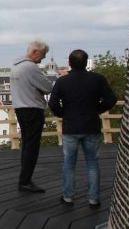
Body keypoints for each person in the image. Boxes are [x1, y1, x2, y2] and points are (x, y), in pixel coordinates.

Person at [48, 49, 117, 208]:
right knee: (92, 163)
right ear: (86, 62)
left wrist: (63, 114)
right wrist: (98, 109)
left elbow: (53, 103)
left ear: (69, 63)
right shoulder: (97, 79)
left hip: (71, 126)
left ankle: (68, 197)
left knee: (69, 164)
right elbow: (111, 99)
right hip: (91, 125)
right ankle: (94, 199)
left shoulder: (62, 81)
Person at [10, 40, 54, 193]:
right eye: (43, 54)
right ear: (35, 52)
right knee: (32, 147)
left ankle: (24, 179)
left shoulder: (15, 66)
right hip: (33, 109)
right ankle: (25, 181)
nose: (44, 58)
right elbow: (48, 87)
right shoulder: (30, 67)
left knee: (26, 144)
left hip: (20, 109)